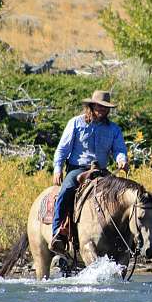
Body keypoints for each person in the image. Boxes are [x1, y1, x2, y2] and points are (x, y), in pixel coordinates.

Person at [50, 90, 129, 253]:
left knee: (120, 195)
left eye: (105, 107)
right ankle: (57, 233)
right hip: (78, 169)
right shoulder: (76, 123)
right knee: (66, 191)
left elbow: (119, 149)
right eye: (99, 106)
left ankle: (124, 237)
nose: (102, 109)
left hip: (101, 171)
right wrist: (57, 169)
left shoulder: (114, 129)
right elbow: (62, 149)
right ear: (92, 105)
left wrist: (122, 160)